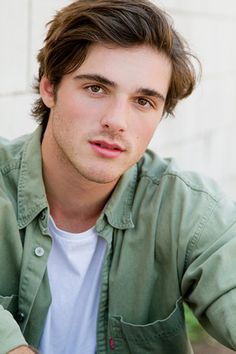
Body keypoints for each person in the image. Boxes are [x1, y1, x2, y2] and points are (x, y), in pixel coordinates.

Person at [1, 0, 236, 353]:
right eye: (96, 88)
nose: (117, 120)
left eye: (143, 101)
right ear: (50, 88)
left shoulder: (187, 210)